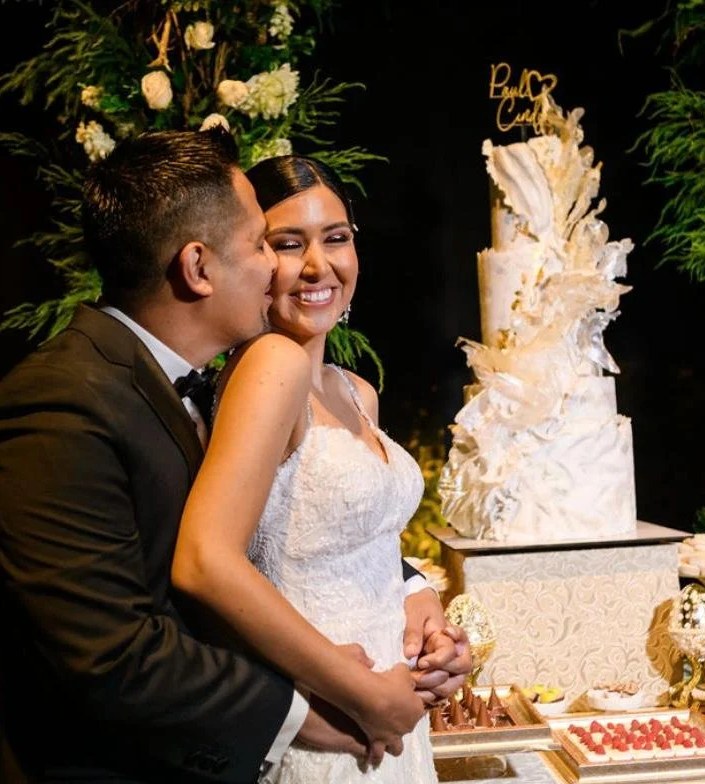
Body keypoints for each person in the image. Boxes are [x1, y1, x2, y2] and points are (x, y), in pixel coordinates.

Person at [0, 131, 463, 784]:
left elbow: (287, 521)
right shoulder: (56, 404)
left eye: (337, 237)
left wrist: (409, 588)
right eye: (268, 244)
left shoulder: (185, 381)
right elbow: (116, 658)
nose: (282, 267)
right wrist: (330, 707)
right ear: (199, 267)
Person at [171, 155, 458, 783]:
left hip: (389, 716)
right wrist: (351, 687)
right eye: (287, 244)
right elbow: (207, 564)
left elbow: (362, 548)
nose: (317, 266)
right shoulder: (271, 366)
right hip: (329, 726)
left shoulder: (353, 390)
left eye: (336, 238)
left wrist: (422, 611)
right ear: (251, 259)